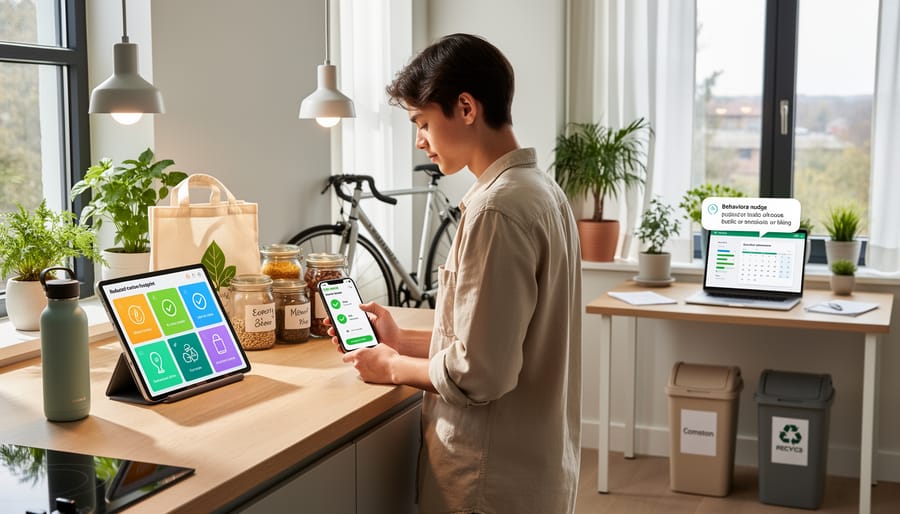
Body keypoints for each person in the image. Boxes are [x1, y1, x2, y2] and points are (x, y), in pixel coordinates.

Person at [328, 33, 582, 513]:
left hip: (488, 480)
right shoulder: (542, 191)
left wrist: (391, 367)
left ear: (466, 108)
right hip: (533, 470)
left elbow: (480, 374)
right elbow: (499, 342)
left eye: (422, 122)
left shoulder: (497, 209)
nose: (419, 140)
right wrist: (402, 340)